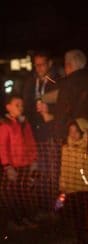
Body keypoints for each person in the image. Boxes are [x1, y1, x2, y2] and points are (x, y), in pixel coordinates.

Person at [0, 95, 38, 229]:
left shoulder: (24, 124)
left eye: (21, 105)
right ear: (8, 107)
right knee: (13, 194)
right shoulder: (5, 125)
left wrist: (34, 160)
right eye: (17, 105)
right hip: (13, 167)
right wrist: (7, 166)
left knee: (25, 193)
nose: (20, 108)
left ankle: (25, 218)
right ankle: (15, 220)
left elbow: (31, 142)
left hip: (25, 165)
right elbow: (2, 147)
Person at [59, 118, 88, 243]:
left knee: (85, 217)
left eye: (76, 131)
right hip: (71, 190)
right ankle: (79, 238)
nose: (73, 134)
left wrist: (82, 124)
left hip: (84, 189)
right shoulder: (66, 148)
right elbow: (63, 168)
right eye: (70, 131)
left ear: (82, 132)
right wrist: (63, 186)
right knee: (74, 217)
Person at [23, 51, 58, 142]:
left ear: (49, 64)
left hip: (51, 129)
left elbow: (64, 104)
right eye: (36, 65)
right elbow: (26, 103)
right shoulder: (30, 81)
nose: (38, 68)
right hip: (33, 129)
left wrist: (49, 109)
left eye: (42, 64)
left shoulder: (57, 82)